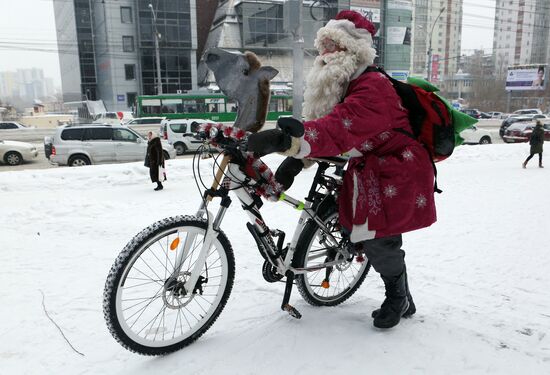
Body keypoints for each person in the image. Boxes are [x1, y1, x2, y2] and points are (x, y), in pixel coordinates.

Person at [249, 10, 437, 329]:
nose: (325, 56)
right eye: (323, 48)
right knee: (353, 228)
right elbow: (326, 127)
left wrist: (288, 142)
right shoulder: (344, 85)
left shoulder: (372, 86)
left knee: (379, 238)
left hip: (397, 169)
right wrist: (297, 160)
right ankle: (403, 293)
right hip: (368, 166)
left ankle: (396, 296)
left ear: (354, 51)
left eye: (333, 47)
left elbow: (338, 129)